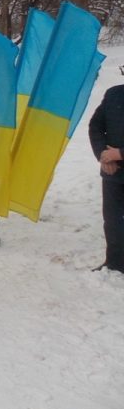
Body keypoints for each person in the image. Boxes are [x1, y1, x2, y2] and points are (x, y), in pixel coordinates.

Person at [89, 84, 124, 272]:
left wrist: (119, 153)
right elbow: (95, 126)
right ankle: (115, 264)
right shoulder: (113, 94)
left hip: (116, 161)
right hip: (114, 173)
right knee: (113, 221)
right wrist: (103, 154)